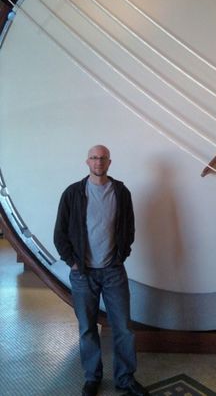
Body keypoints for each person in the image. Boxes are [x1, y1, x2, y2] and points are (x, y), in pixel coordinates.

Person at [54, 145, 149, 396]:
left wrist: (121, 256)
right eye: (94, 158)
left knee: (123, 328)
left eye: (103, 158)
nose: (98, 162)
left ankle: (125, 378)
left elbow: (129, 229)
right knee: (87, 328)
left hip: (113, 271)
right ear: (87, 162)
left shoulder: (120, 192)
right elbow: (60, 233)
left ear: (109, 162)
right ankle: (92, 377)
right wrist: (72, 261)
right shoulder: (73, 193)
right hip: (83, 274)